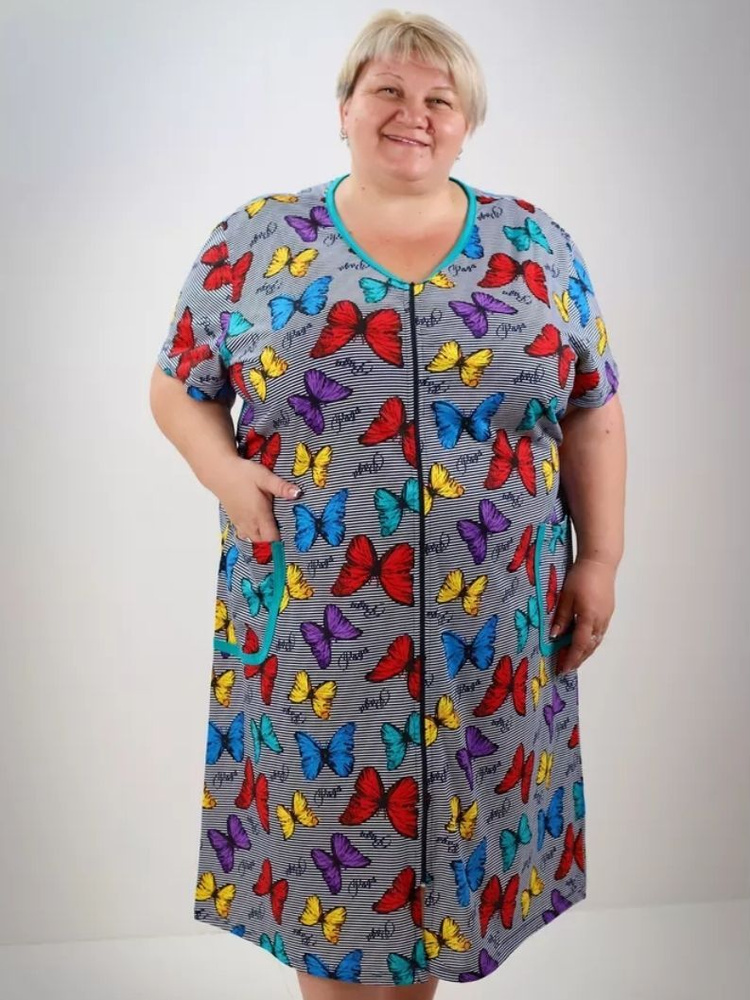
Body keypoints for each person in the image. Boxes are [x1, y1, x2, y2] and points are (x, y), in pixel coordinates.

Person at [149, 9, 626, 998]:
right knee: (330, 875)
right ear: (346, 108)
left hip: (493, 625)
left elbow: (594, 405)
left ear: (467, 123)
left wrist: (600, 558)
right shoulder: (257, 238)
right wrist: (224, 473)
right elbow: (177, 384)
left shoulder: (536, 243)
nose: (415, 114)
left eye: (440, 99)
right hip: (315, 619)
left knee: (447, 879)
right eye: (390, 92)